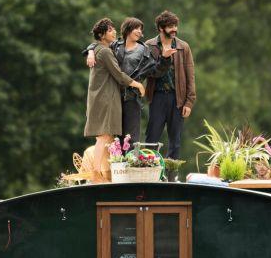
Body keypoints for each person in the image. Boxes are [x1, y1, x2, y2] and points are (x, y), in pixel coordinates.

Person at [85, 17, 176, 143]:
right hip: (113, 95)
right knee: (111, 137)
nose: (139, 32)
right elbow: (99, 43)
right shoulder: (115, 45)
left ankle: (128, 162)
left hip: (132, 97)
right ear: (127, 29)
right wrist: (90, 51)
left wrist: (165, 58)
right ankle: (112, 163)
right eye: (136, 28)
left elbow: (155, 71)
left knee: (130, 138)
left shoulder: (145, 51)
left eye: (141, 29)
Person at [84, 18, 145, 182]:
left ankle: (103, 173)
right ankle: (95, 172)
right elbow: (118, 75)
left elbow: (93, 46)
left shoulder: (101, 48)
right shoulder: (104, 51)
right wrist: (137, 84)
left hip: (103, 97)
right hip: (105, 98)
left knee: (108, 139)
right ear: (102, 35)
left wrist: (90, 50)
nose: (115, 32)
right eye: (111, 30)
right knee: (104, 137)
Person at [144, 10, 196, 159]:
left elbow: (190, 76)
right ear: (161, 28)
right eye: (170, 26)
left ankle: (171, 177)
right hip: (157, 97)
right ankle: (148, 173)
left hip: (178, 99)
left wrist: (189, 102)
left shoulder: (183, 47)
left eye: (175, 26)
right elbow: (149, 73)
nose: (174, 29)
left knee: (176, 142)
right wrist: (163, 58)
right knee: (151, 139)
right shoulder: (149, 46)